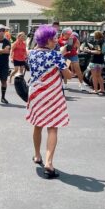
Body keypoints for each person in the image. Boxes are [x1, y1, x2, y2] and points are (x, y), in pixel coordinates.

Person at [26, 25, 72, 178]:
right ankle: (49, 163)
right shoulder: (55, 56)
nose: (56, 41)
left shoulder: (31, 54)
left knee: (37, 125)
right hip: (52, 95)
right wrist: (67, 66)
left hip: (35, 94)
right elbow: (68, 76)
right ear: (47, 40)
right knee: (52, 128)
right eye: (53, 39)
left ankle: (37, 155)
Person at [84, 31, 105, 95]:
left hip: (94, 61)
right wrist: (91, 47)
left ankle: (95, 90)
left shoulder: (98, 42)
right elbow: (99, 50)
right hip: (101, 61)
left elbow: (98, 52)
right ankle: (102, 89)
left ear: (96, 36)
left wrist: (89, 51)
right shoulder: (102, 41)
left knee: (94, 76)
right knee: (99, 76)